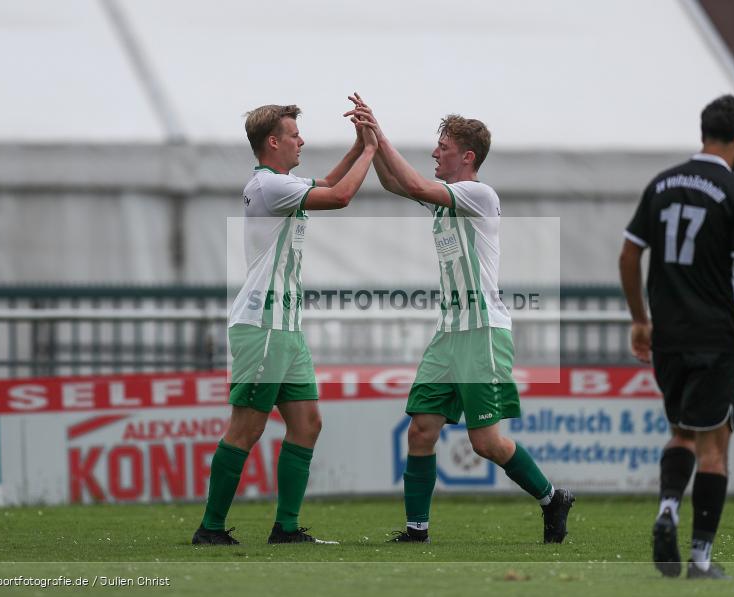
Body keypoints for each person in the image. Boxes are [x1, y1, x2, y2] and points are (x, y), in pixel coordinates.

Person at [346, 94, 574, 544]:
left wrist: (381, 135)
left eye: (443, 147)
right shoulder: (447, 199)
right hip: (450, 332)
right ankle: (417, 531)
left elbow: (414, 185)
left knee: (485, 443)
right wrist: (369, 143)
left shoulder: (479, 194)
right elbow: (395, 183)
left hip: (482, 330)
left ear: (467, 157)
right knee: (421, 429)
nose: (435, 152)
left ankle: (552, 498)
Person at [618, 94, 734, 578]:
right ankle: (699, 558)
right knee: (715, 449)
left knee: (681, 433)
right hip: (717, 337)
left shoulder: (661, 184)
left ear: (703, 132)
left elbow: (629, 256)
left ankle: (667, 507)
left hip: (668, 336)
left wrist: (640, 319)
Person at [192, 103, 377, 545]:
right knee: (247, 428)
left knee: (307, 423)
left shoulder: (278, 184)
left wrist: (357, 146)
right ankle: (210, 528)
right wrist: (372, 150)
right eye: (295, 135)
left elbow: (327, 183)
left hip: (285, 328)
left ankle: (286, 529)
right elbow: (340, 196)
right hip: (263, 325)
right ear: (273, 142)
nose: (302, 141)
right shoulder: (269, 185)